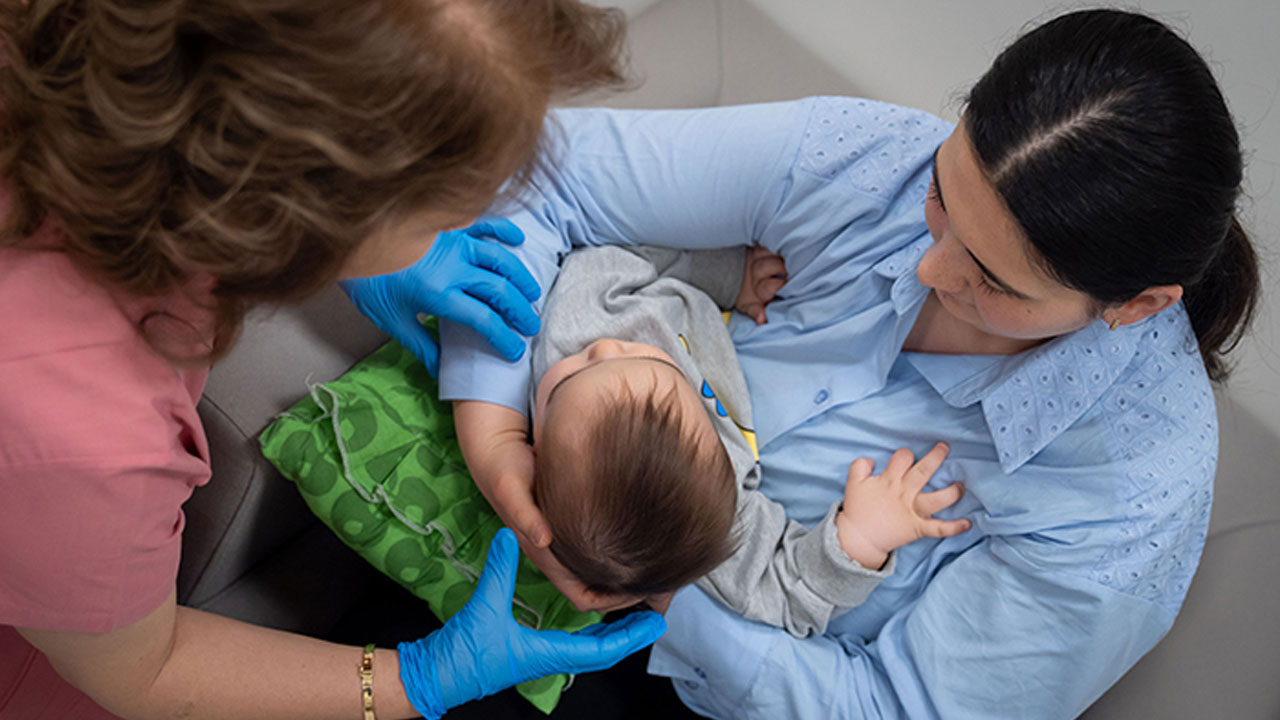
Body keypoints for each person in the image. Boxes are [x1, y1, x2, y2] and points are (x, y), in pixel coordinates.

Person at [415, 9, 1260, 719]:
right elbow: (534, 176)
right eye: (943, 195)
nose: (927, 267)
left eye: (992, 281)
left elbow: (892, 710)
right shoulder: (868, 160)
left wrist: (654, 586)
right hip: (493, 527)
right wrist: (495, 435)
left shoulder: (1126, 496)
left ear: (1136, 305)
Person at [0, 1, 667, 719]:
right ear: (306, 213)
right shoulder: (82, 435)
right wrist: (421, 680)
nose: (462, 224)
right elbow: (143, 673)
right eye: (441, 214)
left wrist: (355, 255)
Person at [458, 242, 970, 637]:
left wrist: (728, 274)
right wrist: (862, 539)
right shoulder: (717, 513)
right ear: (534, 452)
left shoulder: (584, 310)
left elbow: (631, 252)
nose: (608, 345)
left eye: (649, 361)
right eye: (576, 371)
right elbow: (786, 592)